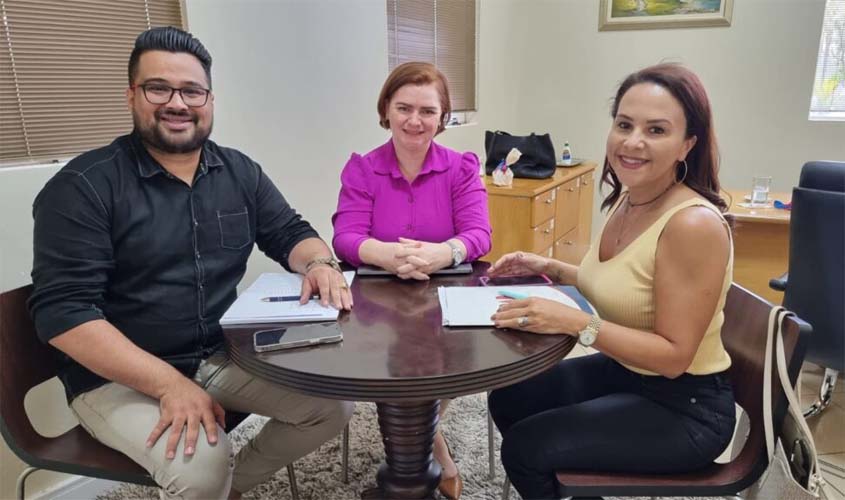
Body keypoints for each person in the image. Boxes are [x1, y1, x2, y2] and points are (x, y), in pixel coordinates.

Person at [28, 27, 353, 500]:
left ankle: (231, 488)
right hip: (117, 378)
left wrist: (320, 261)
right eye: (159, 88)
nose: (177, 103)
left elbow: (291, 232)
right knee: (201, 465)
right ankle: (213, 484)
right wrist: (167, 385)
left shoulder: (239, 171)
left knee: (333, 404)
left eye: (192, 90)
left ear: (210, 99)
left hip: (219, 355)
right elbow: (65, 317)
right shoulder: (82, 187)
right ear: (132, 95)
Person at [487, 63, 736, 499]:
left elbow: (674, 358)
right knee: (509, 397)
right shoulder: (630, 197)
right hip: (629, 373)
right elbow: (620, 282)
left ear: (687, 145)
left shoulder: (692, 225)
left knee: (528, 449)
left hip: (686, 408)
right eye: (624, 124)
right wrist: (545, 265)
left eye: (656, 130)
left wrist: (573, 322)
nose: (633, 141)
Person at [332, 61, 492, 499]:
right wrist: (386, 253)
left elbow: (480, 234)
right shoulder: (363, 169)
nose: (415, 121)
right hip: (378, 302)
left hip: (446, 297)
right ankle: (436, 454)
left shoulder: (460, 168)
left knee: (438, 365)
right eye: (404, 108)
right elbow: (345, 237)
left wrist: (445, 252)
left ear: (443, 117)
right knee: (393, 366)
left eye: (427, 110)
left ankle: (424, 450)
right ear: (386, 109)